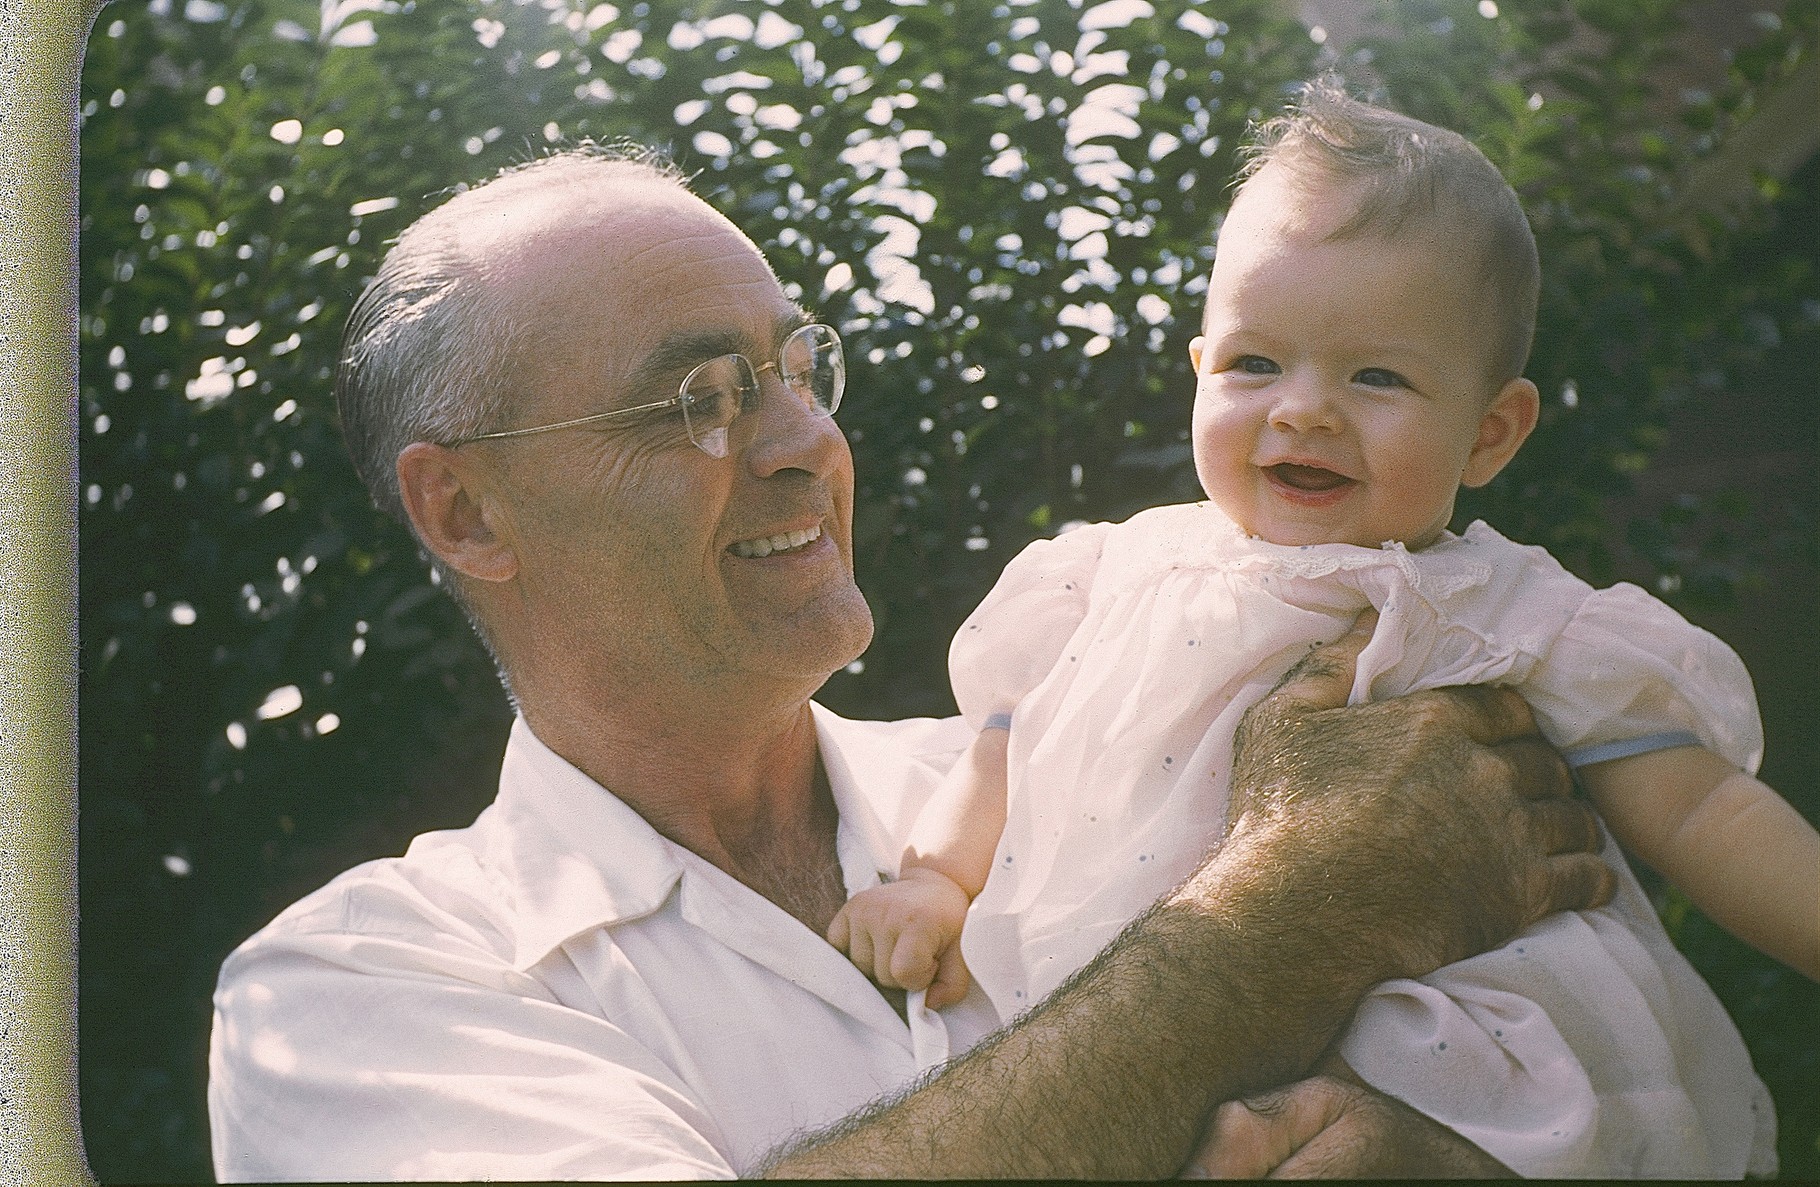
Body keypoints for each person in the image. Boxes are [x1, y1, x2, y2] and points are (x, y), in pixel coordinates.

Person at [206, 143, 1620, 1181]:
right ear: (467, 509)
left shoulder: (1087, 763)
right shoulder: (352, 991)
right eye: (698, 398)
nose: (800, 443)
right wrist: (1279, 922)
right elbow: (1303, 905)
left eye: (798, 368)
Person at [829, 82, 1811, 1177]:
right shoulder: (1104, 574)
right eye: (1255, 362)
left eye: (1375, 375)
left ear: (1488, 431)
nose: (1302, 407)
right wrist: (933, 878)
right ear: (1198, 371)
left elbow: (1702, 808)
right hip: (1124, 1001)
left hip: (1418, 1028)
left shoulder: (1491, 608)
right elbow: (1006, 743)